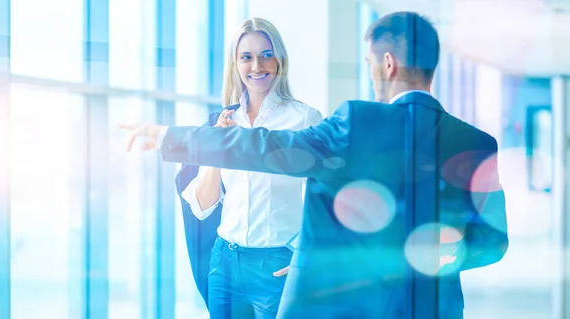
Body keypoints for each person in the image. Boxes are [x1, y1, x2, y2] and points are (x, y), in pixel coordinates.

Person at [122, 12, 508, 318]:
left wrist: (170, 136)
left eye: (371, 63)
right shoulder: (477, 143)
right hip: (436, 308)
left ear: (387, 64)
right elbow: (493, 242)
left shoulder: (357, 121)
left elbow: (266, 147)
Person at [174, 17, 322, 319]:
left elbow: (326, 198)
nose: (257, 66)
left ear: (279, 59)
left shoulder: (305, 119)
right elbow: (202, 206)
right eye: (247, 57)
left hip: (278, 266)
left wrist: (306, 255)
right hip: (224, 265)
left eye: (266, 55)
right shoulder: (222, 122)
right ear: (235, 64)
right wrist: (217, 145)